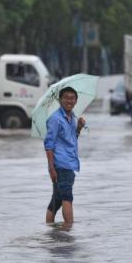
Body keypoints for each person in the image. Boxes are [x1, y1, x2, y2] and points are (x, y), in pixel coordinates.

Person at [43, 86, 86, 230]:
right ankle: (68, 232)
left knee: (57, 200)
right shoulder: (55, 119)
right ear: (60, 100)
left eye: (72, 98)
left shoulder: (72, 118)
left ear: (76, 101)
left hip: (70, 163)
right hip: (61, 165)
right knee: (67, 198)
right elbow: (48, 145)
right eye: (66, 98)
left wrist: (78, 127)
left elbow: (72, 139)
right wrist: (51, 168)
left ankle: (49, 231)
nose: (69, 101)